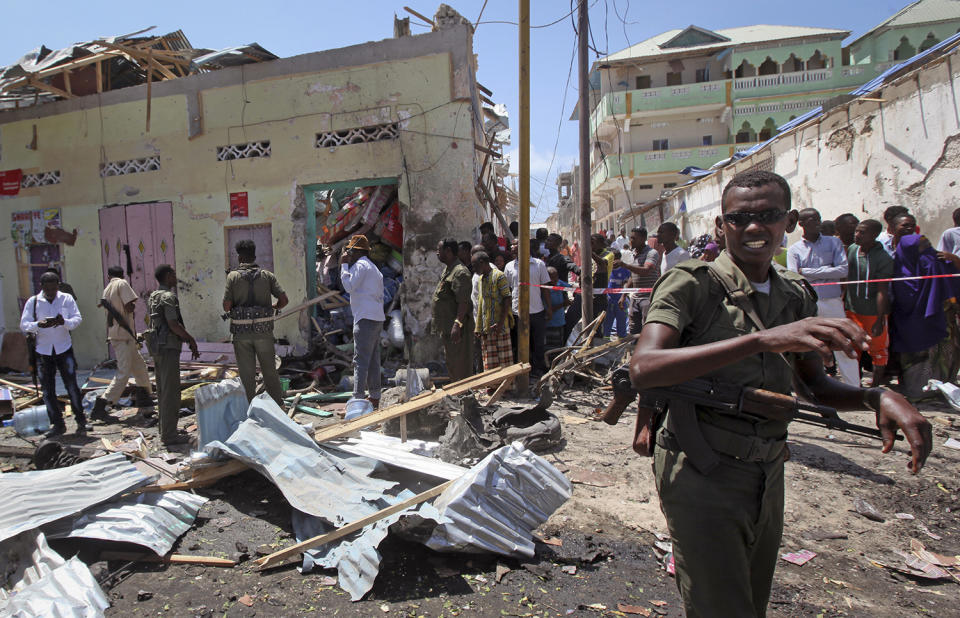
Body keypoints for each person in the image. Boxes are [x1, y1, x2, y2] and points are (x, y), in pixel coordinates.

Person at [630, 169, 932, 617]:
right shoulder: (693, 284)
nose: (754, 227)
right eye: (739, 218)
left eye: (768, 215)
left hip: (767, 469)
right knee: (720, 608)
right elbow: (643, 369)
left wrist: (875, 397)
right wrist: (762, 339)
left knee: (751, 601)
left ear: (788, 222)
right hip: (700, 468)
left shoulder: (793, 294)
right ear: (721, 226)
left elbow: (816, 386)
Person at [787, 208, 858, 386]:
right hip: (809, 304)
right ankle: (818, 387)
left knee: (843, 343)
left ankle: (854, 387)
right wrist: (827, 271)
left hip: (833, 301)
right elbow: (795, 276)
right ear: (801, 224)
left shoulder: (833, 243)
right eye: (812, 219)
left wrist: (809, 272)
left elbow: (842, 270)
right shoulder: (795, 250)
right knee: (812, 346)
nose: (818, 222)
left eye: (818, 218)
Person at [890, 233, 960, 400]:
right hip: (911, 323)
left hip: (940, 320)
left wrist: (954, 260)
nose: (928, 250)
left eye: (929, 244)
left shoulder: (937, 262)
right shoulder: (899, 271)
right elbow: (901, 297)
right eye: (922, 246)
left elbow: (953, 283)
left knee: (944, 354)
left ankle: (943, 388)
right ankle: (918, 391)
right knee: (917, 357)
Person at [20, 271, 88, 438]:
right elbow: (24, 324)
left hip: (64, 348)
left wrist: (63, 322)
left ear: (58, 285)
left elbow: (77, 319)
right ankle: (58, 424)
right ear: (42, 287)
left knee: (72, 386)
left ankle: (81, 422)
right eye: (47, 289)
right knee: (47, 390)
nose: (51, 292)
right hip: (43, 351)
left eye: (53, 288)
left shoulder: (66, 298)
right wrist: (38, 325)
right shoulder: (33, 301)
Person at [223, 240, 289, 406]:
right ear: (254, 255)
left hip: (241, 334)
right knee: (269, 371)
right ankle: (278, 406)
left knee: (247, 373)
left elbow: (226, 306)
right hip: (264, 332)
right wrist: (273, 306)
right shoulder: (267, 276)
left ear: (239, 257)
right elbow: (283, 300)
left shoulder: (233, 276)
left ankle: (250, 408)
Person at [146, 264, 199, 446]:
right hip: (168, 348)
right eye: (173, 274)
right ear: (168, 276)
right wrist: (190, 339)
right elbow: (173, 324)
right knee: (171, 392)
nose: (175, 277)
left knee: (162, 390)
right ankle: (169, 435)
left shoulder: (154, 296)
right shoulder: (168, 297)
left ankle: (165, 430)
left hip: (157, 348)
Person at [93, 265, 153, 421]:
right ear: (123, 275)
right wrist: (132, 306)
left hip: (121, 336)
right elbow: (129, 306)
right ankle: (103, 405)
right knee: (123, 373)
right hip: (123, 337)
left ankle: (145, 399)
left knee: (140, 368)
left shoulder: (107, 289)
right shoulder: (122, 284)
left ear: (108, 276)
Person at [845, 220, 894, 387]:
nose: (857, 235)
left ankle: (875, 387)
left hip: (873, 312)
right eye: (856, 231)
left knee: (877, 349)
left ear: (874, 235)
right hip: (852, 309)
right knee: (853, 347)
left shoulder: (882, 257)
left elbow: (882, 290)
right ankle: (854, 385)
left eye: (862, 232)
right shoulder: (852, 249)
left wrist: (880, 318)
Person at [340, 235, 385, 408]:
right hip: (376, 317)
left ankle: (358, 398)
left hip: (365, 317)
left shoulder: (360, 266)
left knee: (360, 361)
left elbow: (349, 286)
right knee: (373, 360)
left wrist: (344, 265)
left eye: (350, 251)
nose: (349, 254)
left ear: (357, 251)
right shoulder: (374, 268)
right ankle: (374, 396)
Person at [504, 239, 552, 376]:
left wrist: (549, 308)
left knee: (538, 343)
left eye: (515, 244)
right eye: (512, 244)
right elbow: (507, 290)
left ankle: (538, 369)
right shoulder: (509, 267)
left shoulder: (539, 265)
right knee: (519, 343)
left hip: (537, 310)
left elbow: (545, 289)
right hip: (516, 312)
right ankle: (522, 369)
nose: (512, 246)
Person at [433, 238, 474, 382]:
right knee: (453, 363)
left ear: (448, 251)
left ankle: (464, 397)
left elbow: (463, 302)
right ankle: (457, 395)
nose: (437, 253)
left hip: (458, 329)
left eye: (439, 250)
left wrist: (457, 324)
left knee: (460, 365)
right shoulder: (449, 269)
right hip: (447, 327)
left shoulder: (460, 272)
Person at [471, 251, 513, 371]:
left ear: (482, 262)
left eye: (475, 265)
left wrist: (500, 323)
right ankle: (493, 387)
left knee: (504, 361)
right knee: (490, 362)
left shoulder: (499, 276)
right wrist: (478, 327)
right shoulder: (481, 279)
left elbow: (507, 299)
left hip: (500, 328)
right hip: (486, 328)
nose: (473, 268)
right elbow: (481, 304)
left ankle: (507, 387)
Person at [615, 227, 660, 335]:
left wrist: (624, 265)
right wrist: (623, 296)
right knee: (633, 329)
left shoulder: (652, 253)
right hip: (635, 298)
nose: (631, 241)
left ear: (643, 238)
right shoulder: (634, 254)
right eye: (631, 238)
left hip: (648, 298)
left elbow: (646, 271)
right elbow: (632, 277)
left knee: (648, 329)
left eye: (634, 238)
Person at [544, 266, 570, 352]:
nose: (555, 279)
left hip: (561, 322)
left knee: (559, 347)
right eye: (552, 277)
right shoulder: (545, 289)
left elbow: (570, 287)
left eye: (556, 276)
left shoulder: (559, 283)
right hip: (550, 324)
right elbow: (548, 310)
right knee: (551, 349)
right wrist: (563, 304)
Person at [604, 250, 629, 338]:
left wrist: (623, 297)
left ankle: (621, 343)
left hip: (620, 301)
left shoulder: (625, 271)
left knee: (621, 322)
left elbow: (627, 283)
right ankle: (605, 341)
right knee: (607, 323)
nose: (613, 262)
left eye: (615, 259)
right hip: (609, 300)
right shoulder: (606, 269)